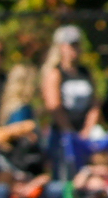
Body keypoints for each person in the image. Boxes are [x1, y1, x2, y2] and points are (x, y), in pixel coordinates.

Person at [41, 25, 100, 169]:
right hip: (62, 135)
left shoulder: (86, 72)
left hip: (85, 133)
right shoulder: (55, 73)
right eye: (70, 45)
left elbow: (95, 104)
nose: (74, 49)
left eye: (77, 45)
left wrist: (87, 130)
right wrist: (70, 132)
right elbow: (54, 106)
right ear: (61, 47)